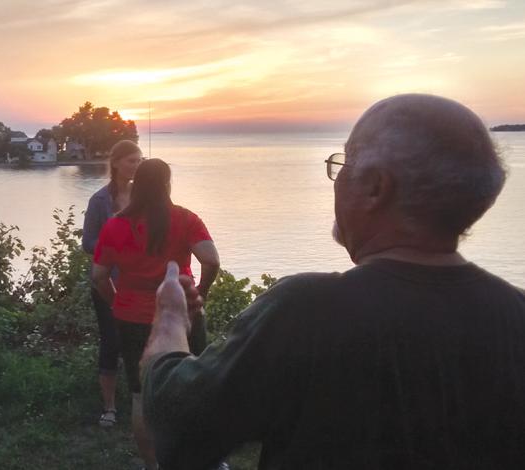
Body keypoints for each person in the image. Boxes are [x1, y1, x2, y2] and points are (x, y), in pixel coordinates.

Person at [142, 94, 525, 470]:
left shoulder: (305, 311)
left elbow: (180, 432)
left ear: (376, 187)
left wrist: (171, 320)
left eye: (344, 162)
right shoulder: (516, 314)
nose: (337, 178)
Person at [93, 158, 220, 470]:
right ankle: (203, 461)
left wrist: (116, 301)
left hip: (132, 318)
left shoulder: (116, 225)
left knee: (140, 395)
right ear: (167, 184)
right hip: (181, 314)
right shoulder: (185, 219)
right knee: (196, 387)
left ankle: (153, 466)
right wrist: (199, 296)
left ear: (137, 185)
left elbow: (98, 275)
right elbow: (211, 260)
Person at [82, 139, 143, 427]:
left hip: (141, 283)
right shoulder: (99, 201)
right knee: (112, 340)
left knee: (142, 342)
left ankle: (141, 402)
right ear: (116, 162)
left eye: (140, 160)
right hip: (106, 282)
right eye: (132, 160)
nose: (137, 165)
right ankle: (109, 407)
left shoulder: (144, 198)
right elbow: (87, 242)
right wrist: (116, 248)